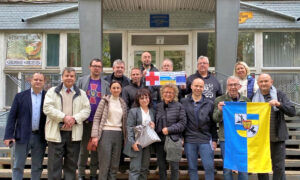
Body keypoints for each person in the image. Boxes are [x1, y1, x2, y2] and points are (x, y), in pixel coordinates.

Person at [43, 67, 91, 180]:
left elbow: (86, 110)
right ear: (62, 77)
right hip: (56, 134)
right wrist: (63, 117)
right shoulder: (52, 92)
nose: (69, 78)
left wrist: (74, 119)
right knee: (54, 166)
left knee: (71, 165)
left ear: (75, 78)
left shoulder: (81, 94)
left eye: (72, 76)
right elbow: (47, 108)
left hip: (74, 135)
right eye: (67, 75)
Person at [3, 73, 47, 180]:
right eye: (35, 79)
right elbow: (12, 117)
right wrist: (8, 135)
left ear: (44, 82)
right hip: (22, 136)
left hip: (40, 137)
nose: (38, 82)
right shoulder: (20, 96)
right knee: (18, 165)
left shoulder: (48, 97)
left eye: (40, 80)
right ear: (30, 81)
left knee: (37, 167)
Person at [252, 73, 296, 180]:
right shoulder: (253, 97)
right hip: (260, 139)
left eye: (266, 81)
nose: (263, 83)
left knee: (278, 167)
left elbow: (292, 111)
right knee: (261, 168)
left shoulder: (279, 94)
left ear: (271, 82)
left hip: (277, 138)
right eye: (261, 81)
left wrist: (279, 104)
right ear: (257, 83)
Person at [77, 58, 110, 180]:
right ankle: (81, 174)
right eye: (94, 66)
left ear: (101, 69)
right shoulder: (81, 81)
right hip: (85, 121)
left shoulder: (106, 84)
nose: (96, 68)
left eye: (99, 66)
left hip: (99, 122)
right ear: (90, 67)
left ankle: (92, 174)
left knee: (96, 149)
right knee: (84, 149)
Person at [213, 76, 250, 180]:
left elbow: (250, 119)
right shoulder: (219, 100)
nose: (233, 87)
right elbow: (215, 119)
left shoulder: (246, 101)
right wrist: (220, 110)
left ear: (239, 86)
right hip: (226, 137)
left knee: (242, 166)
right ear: (227, 86)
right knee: (228, 166)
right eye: (230, 85)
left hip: (242, 137)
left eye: (235, 85)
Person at [181, 78, 218, 180]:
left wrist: (214, 139)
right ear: (191, 87)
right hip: (189, 139)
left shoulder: (210, 103)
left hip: (205, 139)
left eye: (200, 86)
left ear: (203, 88)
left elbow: (213, 124)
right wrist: (181, 137)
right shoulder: (183, 102)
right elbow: (181, 121)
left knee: (209, 167)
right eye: (196, 86)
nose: (198, 88)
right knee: (192, 168)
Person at [91, 80, 128, 180]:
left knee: (115, 164)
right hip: (105, 133)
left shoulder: (123, 103)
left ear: (121, 89)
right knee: (104, 163)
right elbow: (97, 118)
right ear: (110, 89)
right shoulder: (104, 101)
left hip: (119, 134)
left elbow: (125, 121)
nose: (116, 90)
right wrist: (95, 136)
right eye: (114, 88)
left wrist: (126, 137)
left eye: (118, 88)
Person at [155, 83, 187, 180]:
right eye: (165, 92)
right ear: (162, 93)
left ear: (174, 94)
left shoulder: (179, 106)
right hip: (160, 140)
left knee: (174, 167)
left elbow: (182, 123)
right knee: (161, 166)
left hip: (173, 139)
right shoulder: (158, 106)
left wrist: (169, 129)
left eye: (170, 92)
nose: (168, 94)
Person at [123, 88, 155, 180]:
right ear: (138, 100)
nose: (145, 100)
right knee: (135, 169)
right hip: (136, 144)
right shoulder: (134, 111)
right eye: (142, 98)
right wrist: (132, 142)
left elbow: (153, 129)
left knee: (144, 169)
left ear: (149, 98)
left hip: (148, 145)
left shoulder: (152, 112)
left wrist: (153, 127)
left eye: (146, 97)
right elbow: (129, 128)